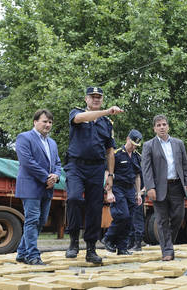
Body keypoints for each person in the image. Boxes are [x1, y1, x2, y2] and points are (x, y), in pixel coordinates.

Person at [65, 87, 122, 264]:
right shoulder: (77, 113)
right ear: (86, 99)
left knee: (95, 207)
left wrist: (110, 175)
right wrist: (106, 111)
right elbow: (80, 119)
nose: (96, 99)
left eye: (99, 97)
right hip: (76, 165)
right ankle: (74, 240)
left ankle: (91, 248)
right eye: (93, 97)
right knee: (73, 198)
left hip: (96, 169)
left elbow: (110, 152)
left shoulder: (107, 123)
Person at [15, 109, 62, 265]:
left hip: (47, 188)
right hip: (30, 187)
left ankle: (21, 253)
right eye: (44, 121)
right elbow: (27, 162)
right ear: (35, 122)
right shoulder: (24, 137)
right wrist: (46, 177)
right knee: (32, 220)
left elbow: (58, 163)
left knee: (41, 221)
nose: (47, 125)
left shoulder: (52, 143)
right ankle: (32, 256)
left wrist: (56, 176)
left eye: (50, 122)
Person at [142, 115, 187, 261]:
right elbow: (146, 169)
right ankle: (167, 251)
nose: (162, 127)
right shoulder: (149, 145)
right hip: (158, 188)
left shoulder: (178, 144)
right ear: (154, 129)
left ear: (168, 126)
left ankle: (167, 241)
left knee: (178, 217)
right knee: (162, 220)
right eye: (158, 125)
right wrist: (150, 187)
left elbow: (185, 165)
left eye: (164, 124)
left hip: (177, 186)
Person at [101, 130, 143, 255]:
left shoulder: (137, 156)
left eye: (136, 145)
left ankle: (122, 247)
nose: (134, 146)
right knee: (122, 215)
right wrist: (109, 191)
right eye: (132, 143)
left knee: (129, 219)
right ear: (127, 139)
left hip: (131, 189)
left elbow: (137, 176)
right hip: (118, 187)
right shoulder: (116, 154)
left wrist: (138, 193)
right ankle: (108, 238)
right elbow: (107, 172)